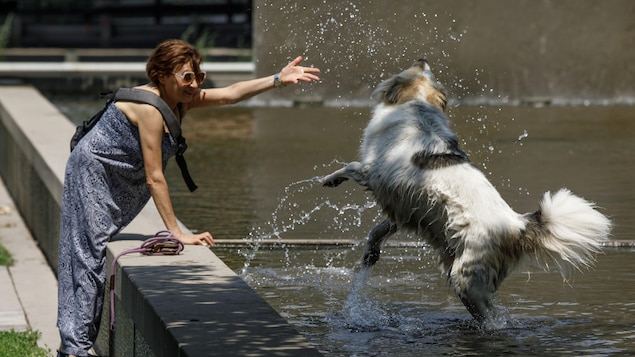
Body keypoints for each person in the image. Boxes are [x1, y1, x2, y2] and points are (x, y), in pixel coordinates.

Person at [56, 39, 321, 357]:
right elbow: (155, 176)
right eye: (187, 77)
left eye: (199, 76)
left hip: (118, 176)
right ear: (161, 75)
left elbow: (230, 94)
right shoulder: (150, 108)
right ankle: (74, 349)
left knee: (89, 250)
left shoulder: (180, 100)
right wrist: (177, 232)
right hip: (93, 172)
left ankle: (74, 344)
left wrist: (277, 78)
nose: (195, 85)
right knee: (86, 254)